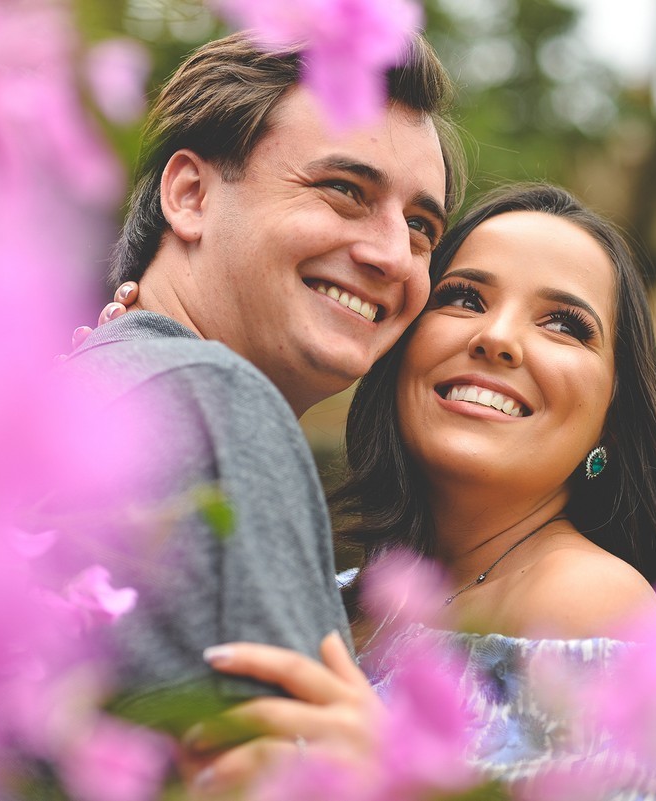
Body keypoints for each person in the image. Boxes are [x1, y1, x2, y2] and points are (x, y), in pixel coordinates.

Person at [99, 185, 656, 795]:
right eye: (464, 298)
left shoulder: (590, 602)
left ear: (612, 410)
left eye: (564, 325)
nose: (496, 338)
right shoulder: (341, 593)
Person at [58, 31, 462, 732]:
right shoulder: (217, 402)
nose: (395, 255)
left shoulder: (84, 394)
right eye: (344, 190)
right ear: (190, 194)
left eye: (422, 226)